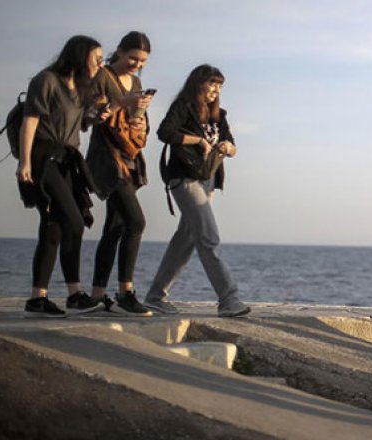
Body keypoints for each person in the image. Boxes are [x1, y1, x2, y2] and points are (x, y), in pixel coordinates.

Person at [142, 64, 250, 318]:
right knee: (209, 237)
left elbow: (233, 145)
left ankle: (155, 297)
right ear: (198, 83)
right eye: (212, 84)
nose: (216, 90)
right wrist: (198, 140)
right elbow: (164, 132)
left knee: (186, 240)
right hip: (185, 178)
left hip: (209, 180)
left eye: (219, 86)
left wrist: (226, 147)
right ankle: (228, 299)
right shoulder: (184, 106)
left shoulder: (218, 115)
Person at [16, 36, 106, 318]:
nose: (100, 64)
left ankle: (38, 299)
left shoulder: (79, 88)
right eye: (97, 59)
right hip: (44, 157)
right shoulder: (46, 80)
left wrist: (97, 116)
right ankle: (75, 295)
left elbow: (78, 123)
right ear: (80, 56)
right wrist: (25, 162)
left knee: (54, 227)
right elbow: (30, 121)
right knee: (73, 221)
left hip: (68, 160)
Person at [86, 31, 153, 316]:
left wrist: (139, 112)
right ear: (120, 52)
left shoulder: (136, 81)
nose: (136, 65)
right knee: (136, 223)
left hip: (129, 157)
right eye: (132, 58)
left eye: (142, 61)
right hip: (107, 159)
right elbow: (92, 117)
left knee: (114, 228)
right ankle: (126, 293)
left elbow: (133, 121)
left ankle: (98, 295)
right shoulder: (102, 76)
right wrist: (121, 104)